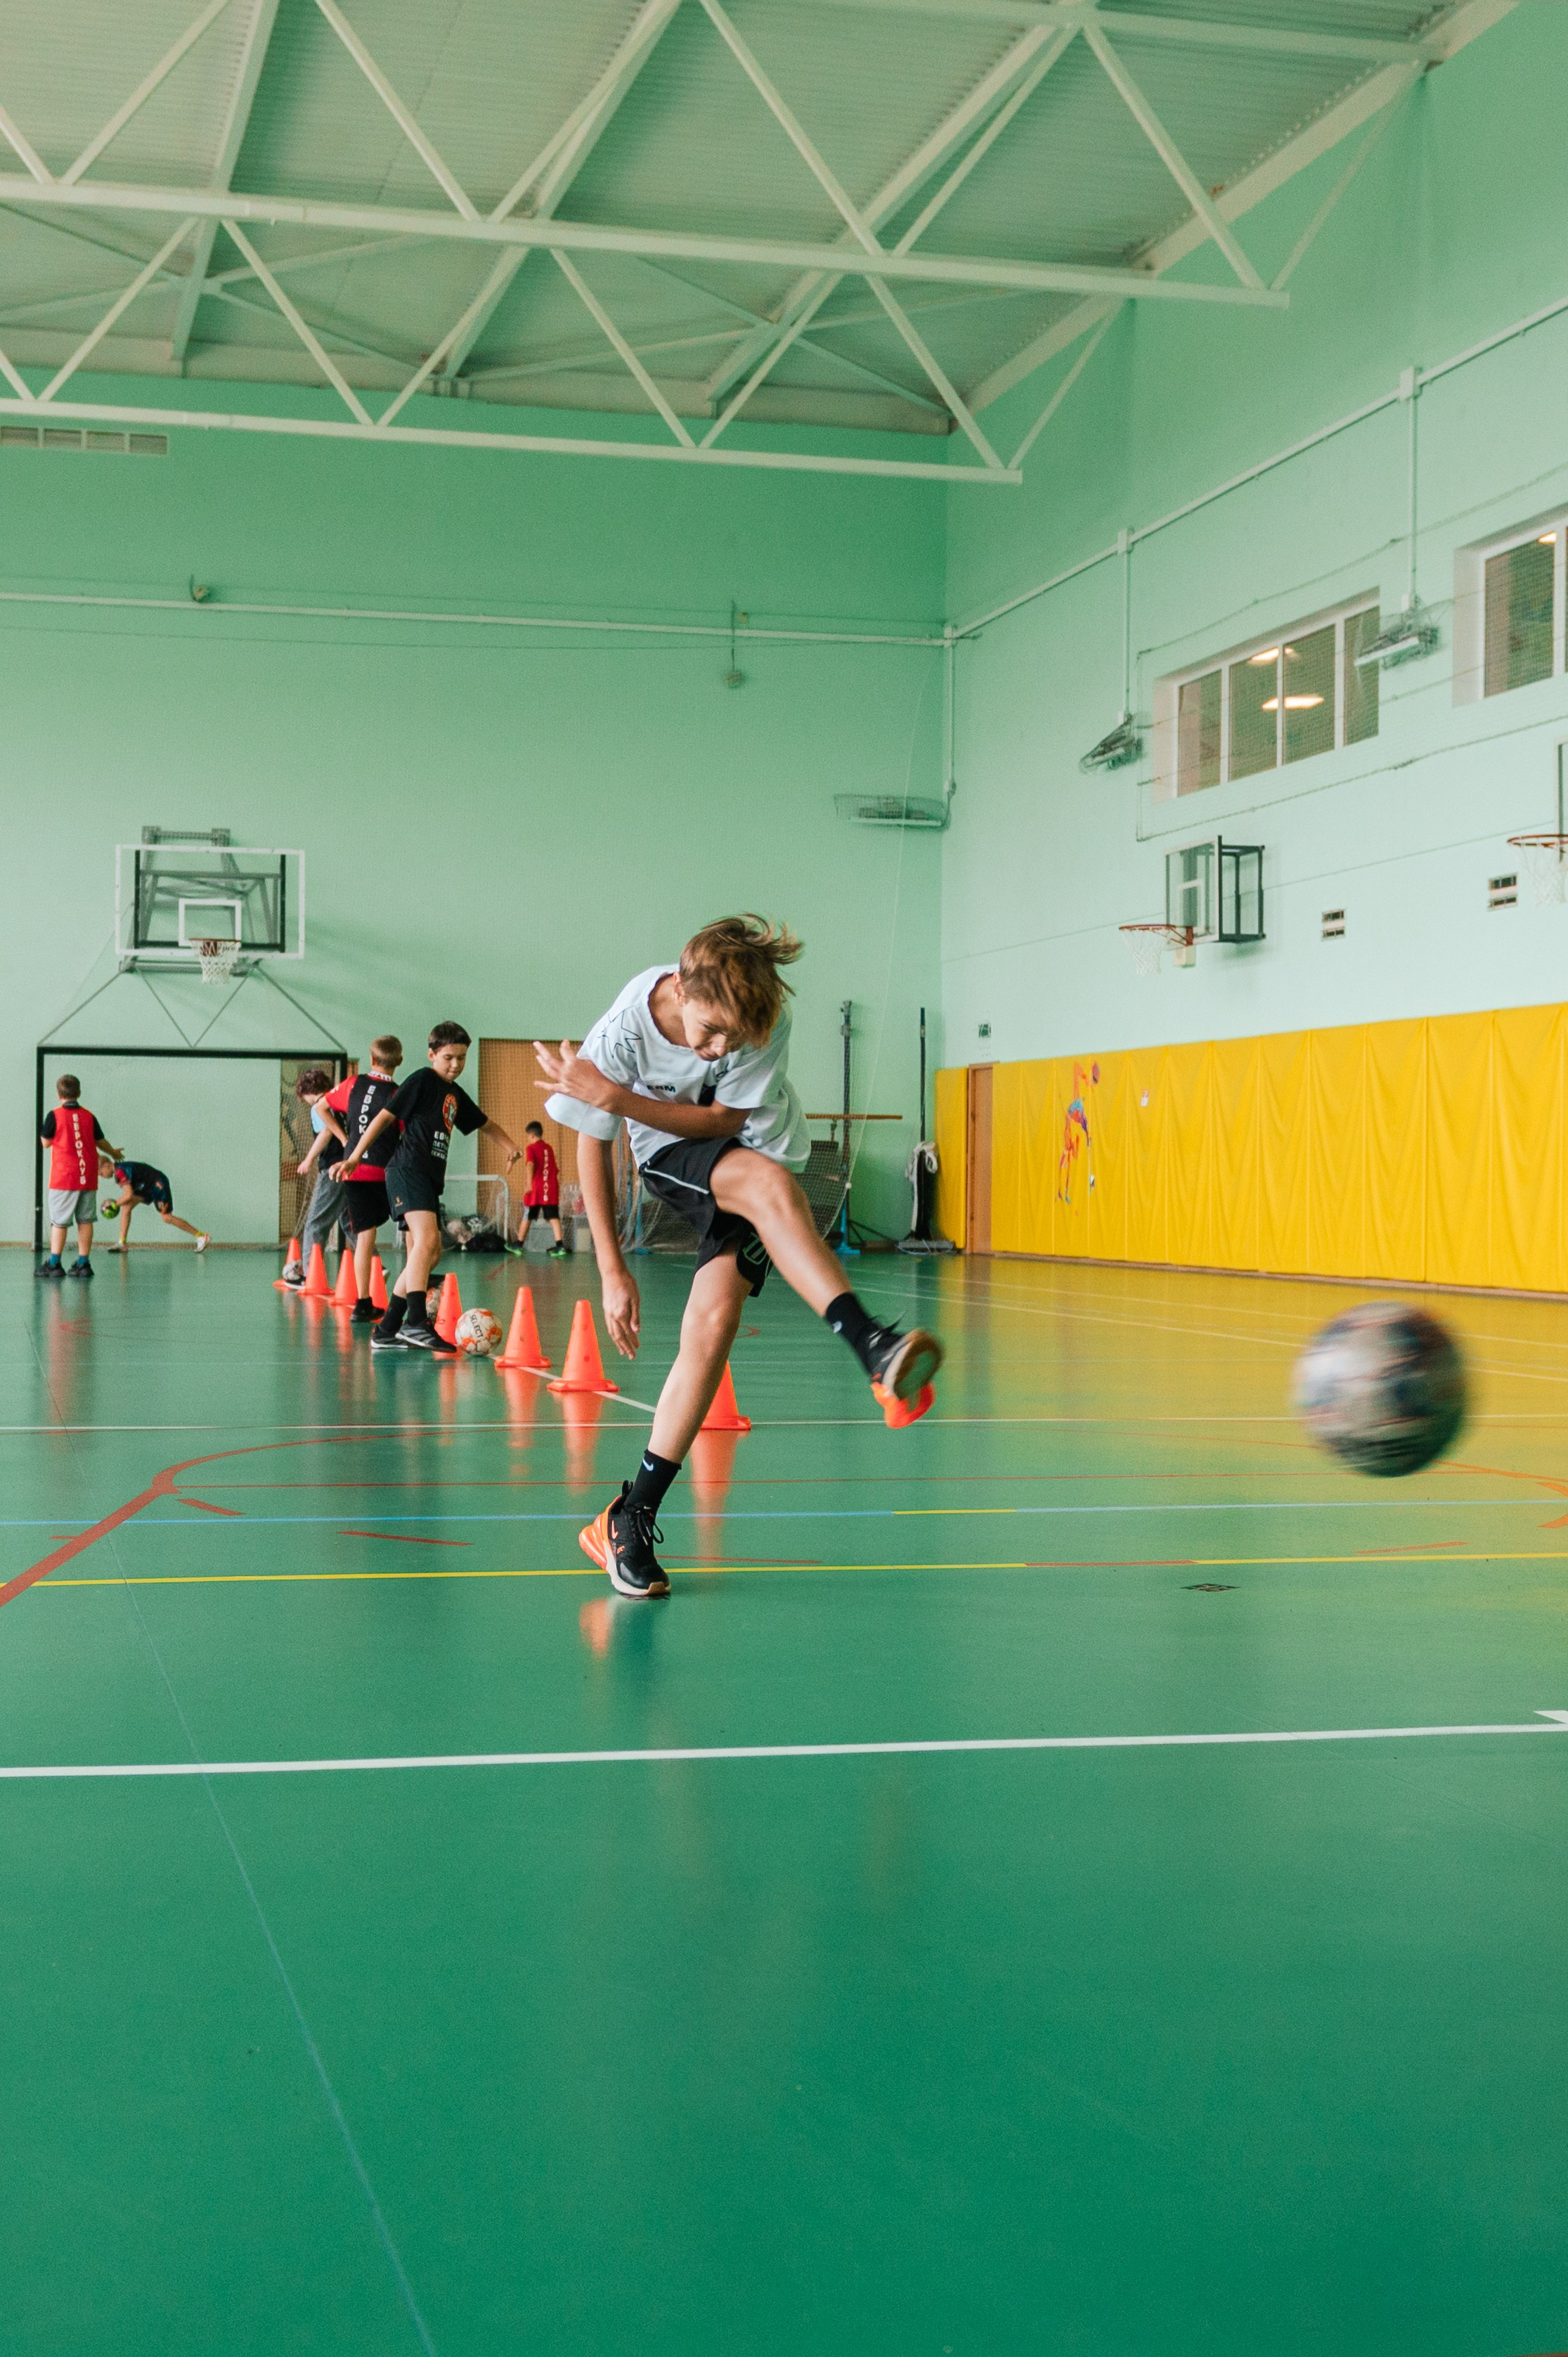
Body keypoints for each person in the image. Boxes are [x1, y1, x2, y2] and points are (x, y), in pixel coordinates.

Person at [538, 915, 942, 1600]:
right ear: (681, 985)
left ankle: (627, 1514)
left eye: (732, 1037)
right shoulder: (625, 1029)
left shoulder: (762, 1016)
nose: (718, 1047)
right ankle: (871, 1344)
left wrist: (619, 1095)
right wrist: (612, 1269)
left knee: (711, 1327)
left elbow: (727, 1120)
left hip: (760, 1147)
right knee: (764, 1183)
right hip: (672, 1153)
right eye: (711, 1030)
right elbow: (591, 1140)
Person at [340, 1021, 528, 1354]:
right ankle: (416, 1323)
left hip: (427, 1177)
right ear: (432, 1055)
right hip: (406, 1170)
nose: (456, 1064)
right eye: (448, 1057)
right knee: (427, 1241)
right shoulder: (423, 1080)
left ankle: (386, 1330)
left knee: (428, 1254)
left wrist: (510, 1146)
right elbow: (384, 1117)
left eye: (462, 1058)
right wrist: (355, 1156)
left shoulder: (454, 1093)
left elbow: (485, 1123)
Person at [320, 1035, 403, 1323]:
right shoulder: (397, 1093)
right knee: (413, 1229)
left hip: (354, 1171)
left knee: (365, 1236)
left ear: (371, 1059)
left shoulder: (353, 1084)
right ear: (399, 1062)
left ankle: (363, 1303)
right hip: (386, 1171)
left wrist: (346, 1140)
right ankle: (413, 1296)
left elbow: (320, 1107)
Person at [282, 1068, 347, 1289]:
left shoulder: (320, 1106)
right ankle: (376, 1264)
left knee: (315, 1224)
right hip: (351, 1167)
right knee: (351, 1221)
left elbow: (326, 1133)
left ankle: (311, 1277)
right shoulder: (340, 1103)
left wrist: (308, 1160)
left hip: (332, 1169)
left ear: (309, 1092)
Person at [38, 1074, 108, 1279]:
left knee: (59, 1222)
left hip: (64, 1177)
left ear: (59, 1094)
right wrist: (113, 1153)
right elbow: (100, 1141)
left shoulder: (54, 1115)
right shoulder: (89, 1116)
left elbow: (45, 1142)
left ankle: (53, 1264)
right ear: (79, 1092)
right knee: (86, 1220)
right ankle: (83, 1263)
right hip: (87, 1176)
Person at [98, 1150, 209, 1252]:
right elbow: (128, 1195)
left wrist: (114, 1205)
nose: (102, 1177)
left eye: (101, 1173)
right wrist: (118, 1204)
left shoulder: (120, 1172)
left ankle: (201, 1236)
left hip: (157, 1185)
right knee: (126, 1206)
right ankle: (122, 1243)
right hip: (146, 1187)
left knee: (167, 1217)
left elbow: (128, 1195)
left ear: (107, 1165)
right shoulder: (119, 1170)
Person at [519, 1121, 570, 1258]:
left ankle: (518, 1245)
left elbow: (530, 1165)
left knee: (527, 1215)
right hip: (551, 1187)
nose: (528, 1139)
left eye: (528, 1136)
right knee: (553, 1217)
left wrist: (529, 1183)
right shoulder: (549, 1148)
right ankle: (560, 1246)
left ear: (532, 1135)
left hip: (537, 1189)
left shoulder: (531, 1148)